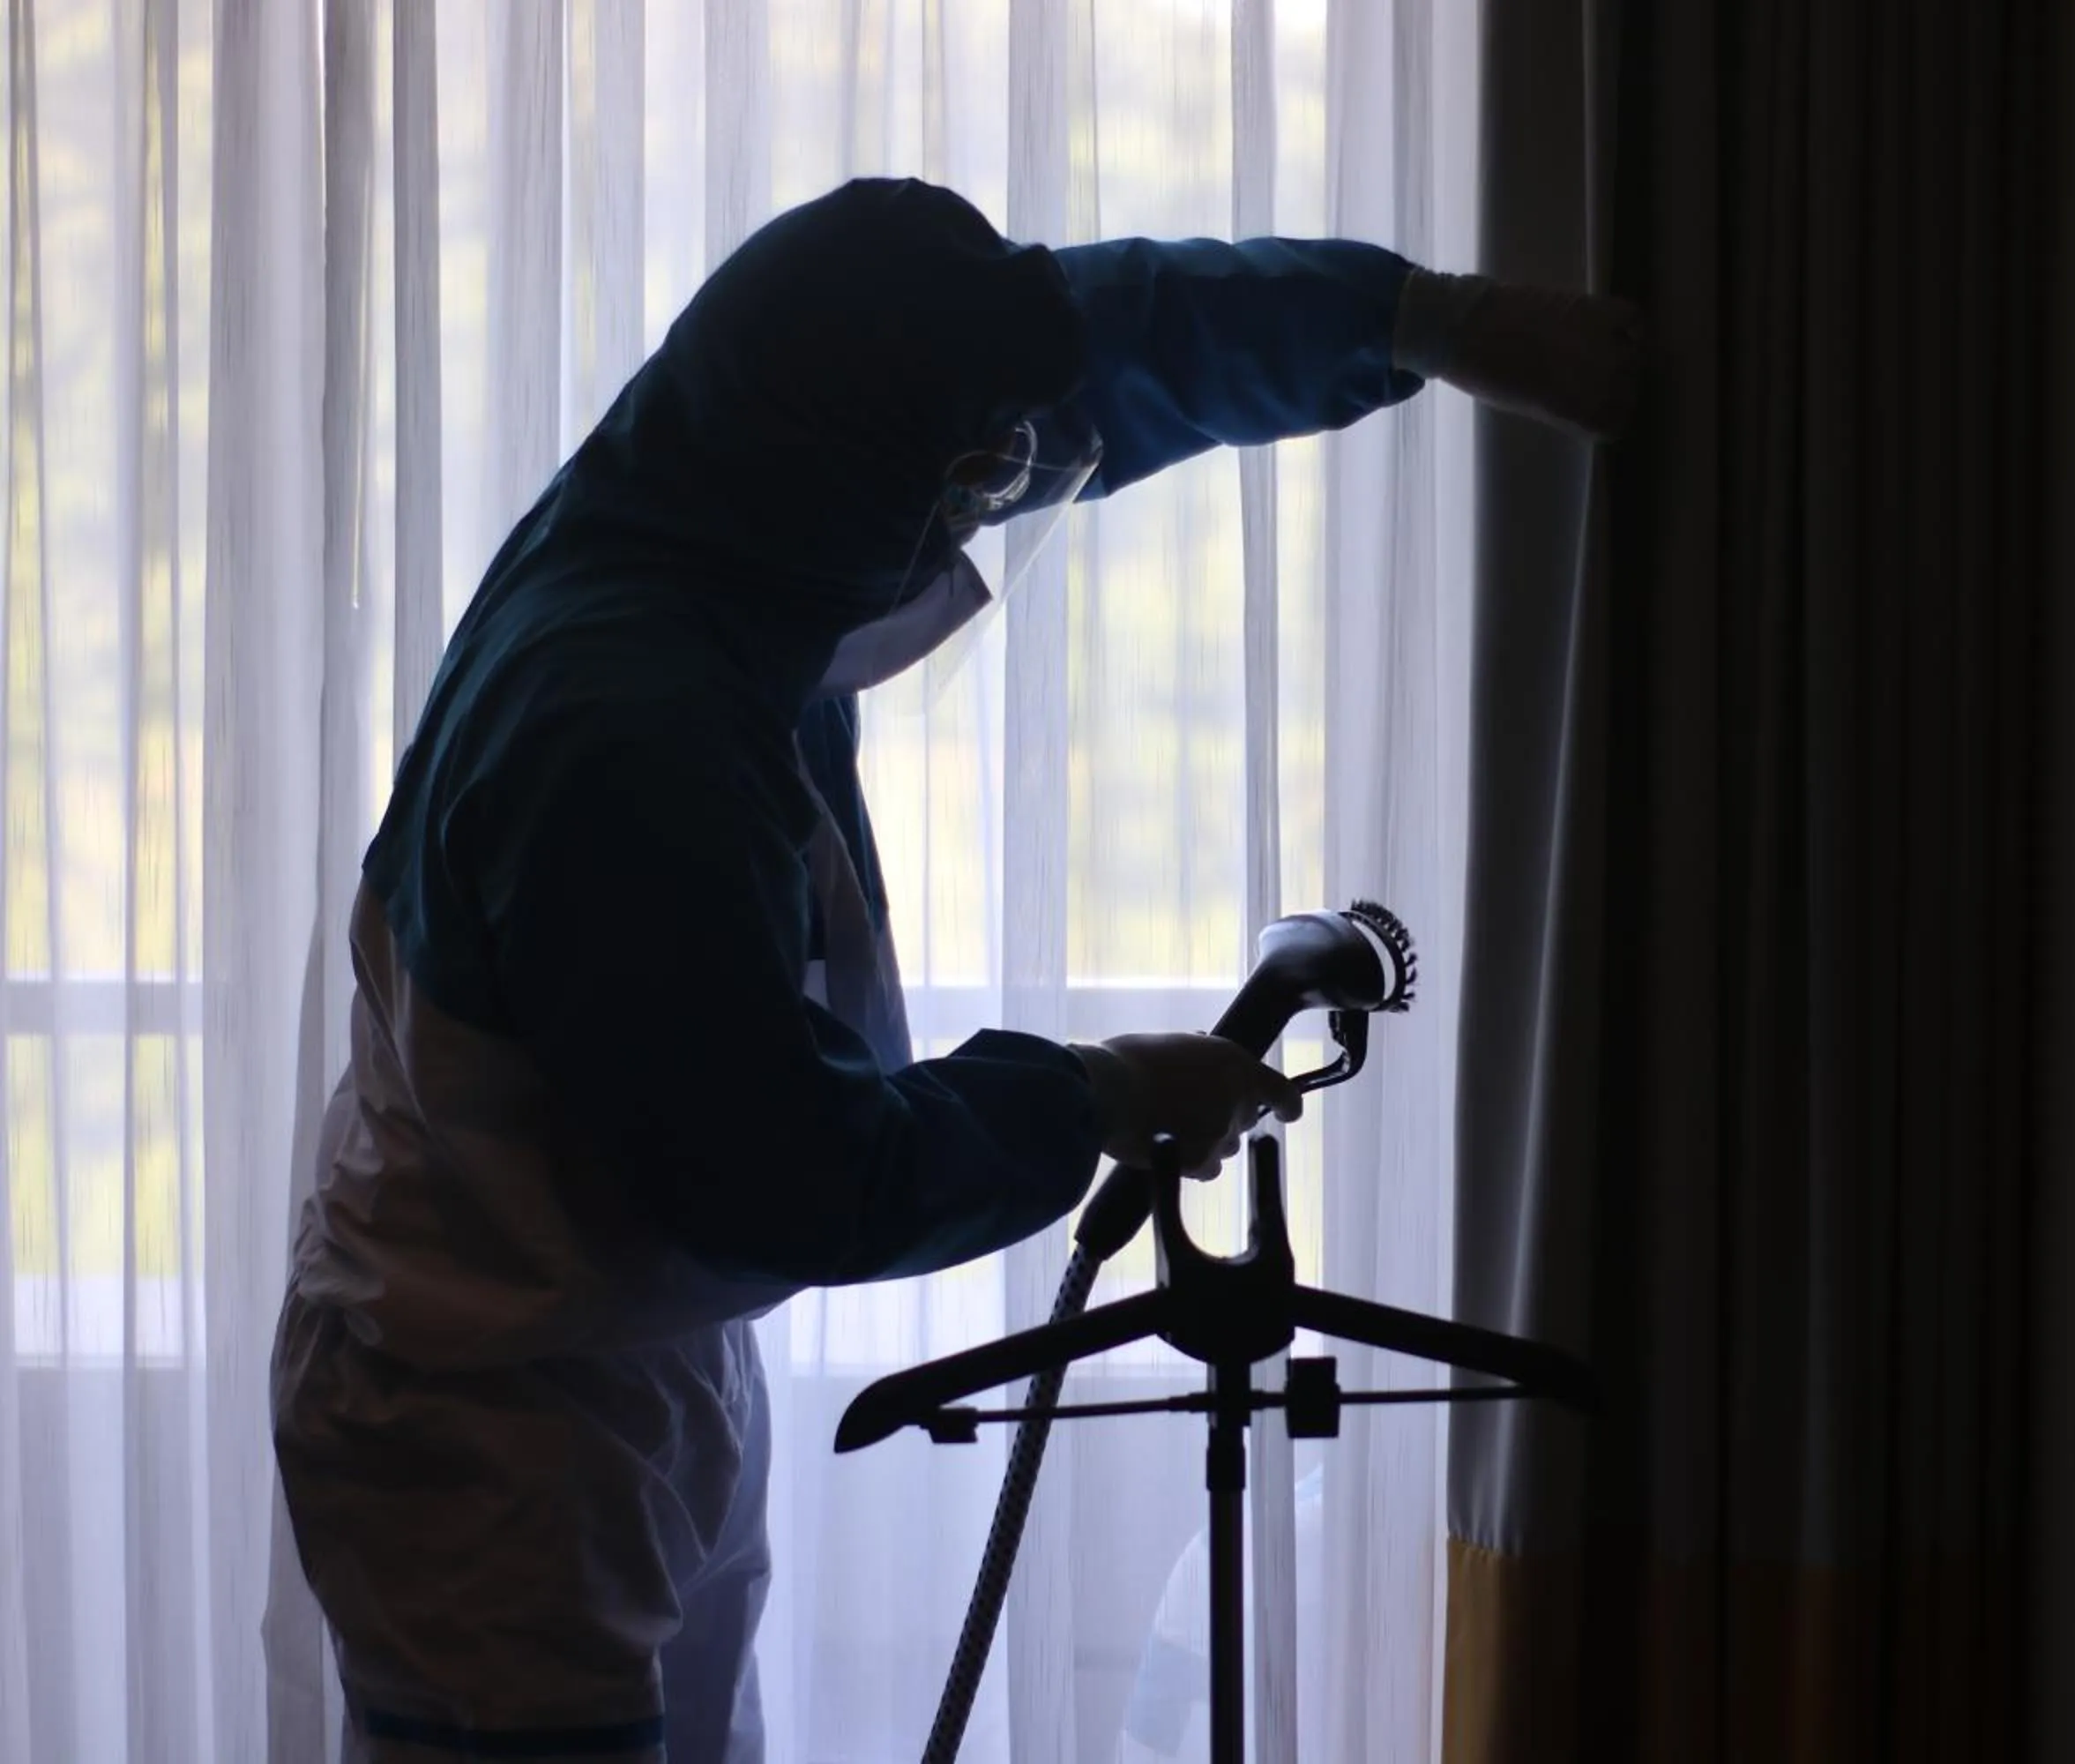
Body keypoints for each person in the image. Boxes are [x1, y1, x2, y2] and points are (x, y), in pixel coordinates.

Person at [268, 176, 1636, 1764]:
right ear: (848, 478)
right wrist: (1091, 1098)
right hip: (498, 1418)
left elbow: (1090, 347)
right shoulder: (626, 734)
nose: (987, 513)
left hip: (615, 1327)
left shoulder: (712, 509)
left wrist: (1426, 324)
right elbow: (781, 1169)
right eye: (970, 481)